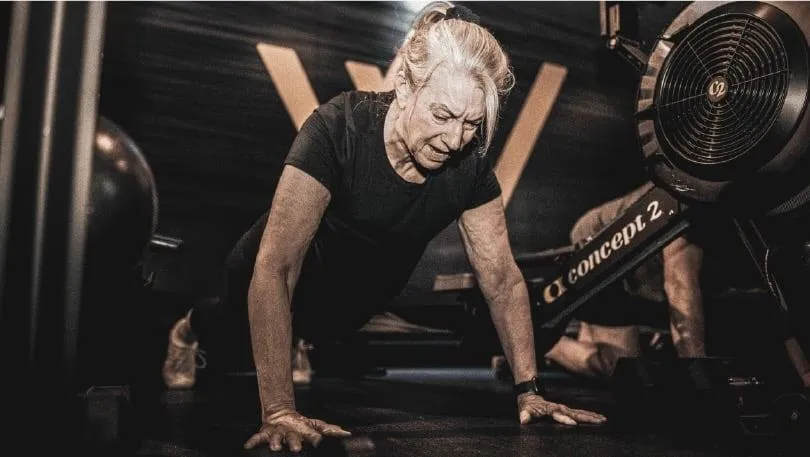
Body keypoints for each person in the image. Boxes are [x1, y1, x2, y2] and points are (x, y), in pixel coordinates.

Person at [161, 2, 607, 453]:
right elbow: (277, 267)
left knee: (338, 321)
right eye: (442, 115)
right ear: (406, 87)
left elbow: (503, 280)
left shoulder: (469, 167)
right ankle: (187, 331)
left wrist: (529, 390)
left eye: (472, 123)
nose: (455, 139)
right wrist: (279, 410)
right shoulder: (338, 129)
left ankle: (297, 337)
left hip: (358, 296)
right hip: (279, 274)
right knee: (227, 322)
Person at [545, 183, 707, 378]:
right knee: (621, 367)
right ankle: (544, 344)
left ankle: (585, 337)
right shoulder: (693, 200)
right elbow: (679, 284)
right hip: (600, 249)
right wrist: (699, 374)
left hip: (643, 277)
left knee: (643, 361)